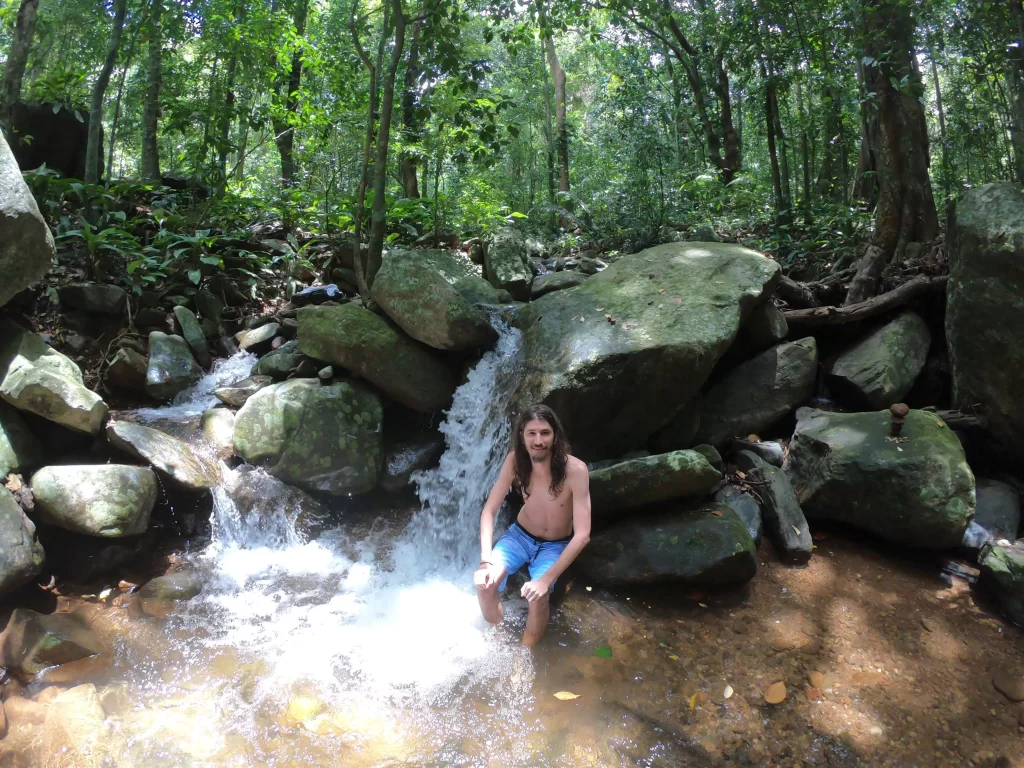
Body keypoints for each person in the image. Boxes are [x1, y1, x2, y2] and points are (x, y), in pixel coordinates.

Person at [474, 404, 591, 646]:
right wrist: (485, 561)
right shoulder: (515, 462)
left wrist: (545, 581)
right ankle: (497, 636)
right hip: (519, 537)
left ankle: (524, 652)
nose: (538, 440)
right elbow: (489, 511)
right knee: (485, 585)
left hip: (554, 545)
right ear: (522, 436)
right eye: (532, 433)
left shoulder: (575, 470)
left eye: (545, 433)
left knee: (538, 598)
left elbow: (582, 535)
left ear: (555, 435)